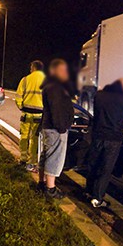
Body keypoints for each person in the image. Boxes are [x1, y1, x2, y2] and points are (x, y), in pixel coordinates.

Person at [86, 78, 123, 208]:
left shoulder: (99, 95)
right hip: (114, 138)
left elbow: (96, 113)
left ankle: (89, 191)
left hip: (98, 135)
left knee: (93, 163)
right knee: (106, 168)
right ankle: (97, 198)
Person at [40, 59, 74, 199]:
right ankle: (50, 189)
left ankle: (42, 183)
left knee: (47, 155)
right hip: (55, 128)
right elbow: (57, 108)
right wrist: (61, 127)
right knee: (54, 157)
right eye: (63, 70)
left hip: (49, 126)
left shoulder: (50, 86)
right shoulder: (56, 87)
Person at [15, 60, 45, 172]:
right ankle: (31, 163)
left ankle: (23, 159)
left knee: (24, 136)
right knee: (35, 139)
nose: (30, 69)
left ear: (34, 67)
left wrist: (22, 107)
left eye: (31, 67)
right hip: (39, 115)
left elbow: (18, 97)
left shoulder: (25, 79)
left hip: (26, 114)